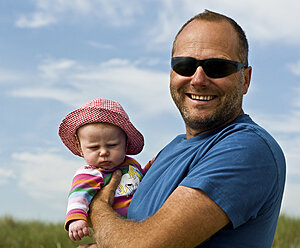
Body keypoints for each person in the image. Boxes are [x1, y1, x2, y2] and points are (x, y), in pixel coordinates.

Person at [82, 10, 286, 248]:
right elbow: (133, 232)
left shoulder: (248, 149)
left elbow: (143, 245)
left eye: (217, 67)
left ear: (246, 79)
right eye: (185, 65)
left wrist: (97, 208)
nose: (198, 79)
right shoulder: (170, 151)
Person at [58, 98, 148, 242]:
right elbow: (78, 196)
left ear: (126, 144)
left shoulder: (131, 164)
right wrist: (76, 219)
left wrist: (153, 165)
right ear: (80, 147)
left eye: (112, 145)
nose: (103, 152)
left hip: (145, 225)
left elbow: (143, 177)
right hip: (116, 229)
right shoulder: (90, 173)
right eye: (94, 147)